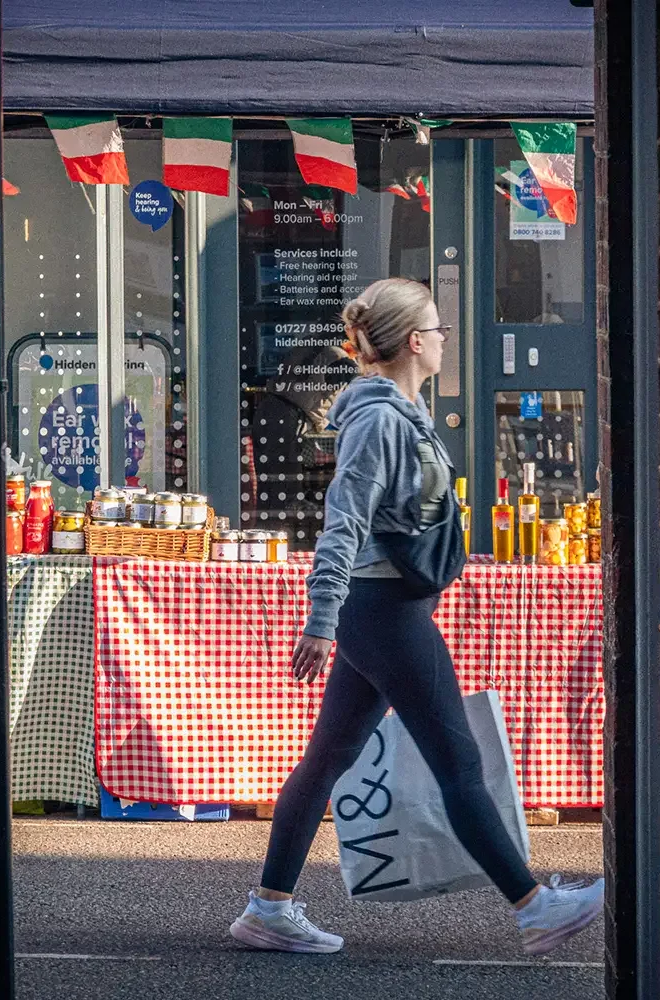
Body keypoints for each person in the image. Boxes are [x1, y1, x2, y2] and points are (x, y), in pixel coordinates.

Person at [229, 277, 605, 957]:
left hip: (383, 608)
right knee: (458, 762)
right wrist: (321, 619)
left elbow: (407, 517)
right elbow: (342, 524)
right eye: (437, 330)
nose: (442, 340)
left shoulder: (400, 410)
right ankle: (535, 908)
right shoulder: (377, 420)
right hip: (384, 613)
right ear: (413, 342)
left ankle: (268, 908)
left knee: (326, 762)